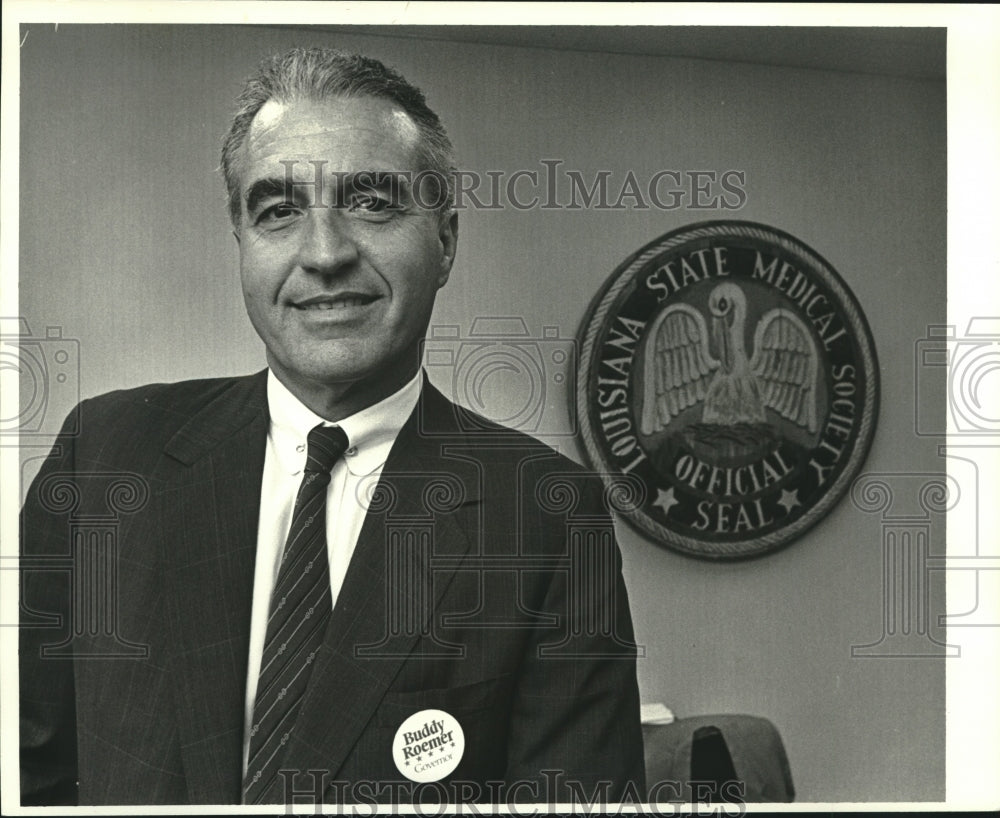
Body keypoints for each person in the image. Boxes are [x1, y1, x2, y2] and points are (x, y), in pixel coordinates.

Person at [19, 47, 645, 806]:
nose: (324, 254)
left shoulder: (545, 514)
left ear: (445, 239)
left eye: (373, 203)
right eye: (279, 211)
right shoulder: (106, 456)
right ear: (242, 242)